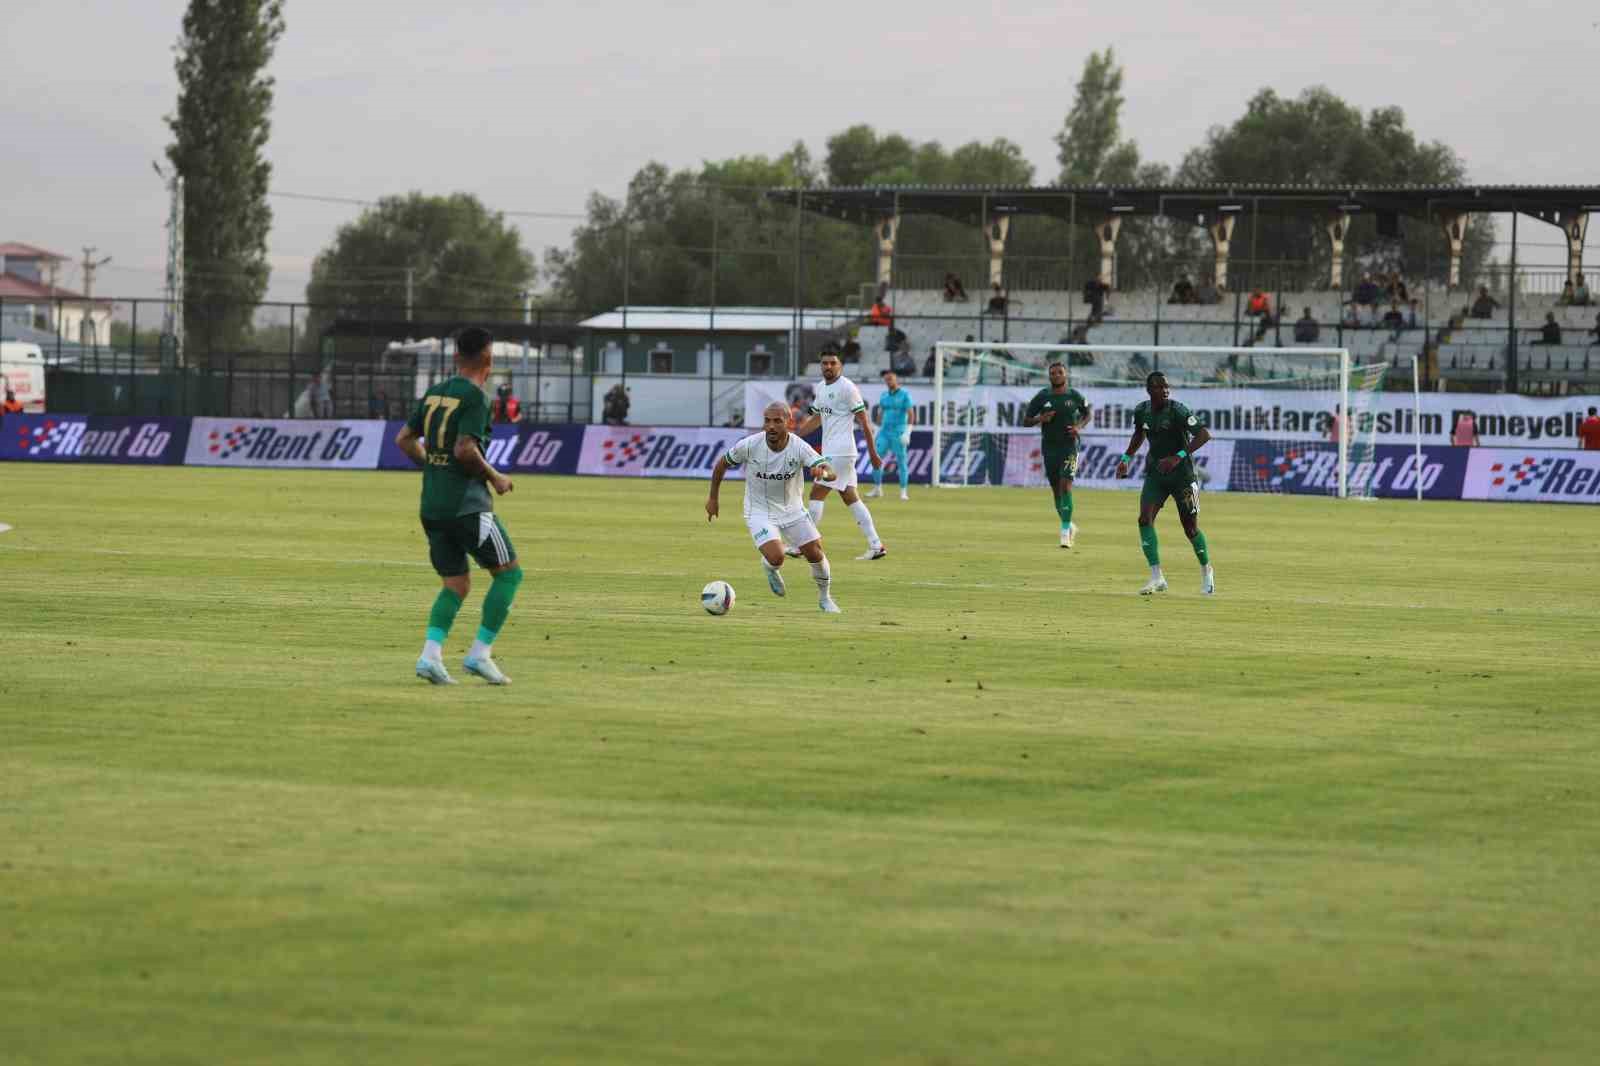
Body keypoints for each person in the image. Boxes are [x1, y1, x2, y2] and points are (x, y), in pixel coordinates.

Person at [392, 327, 522, 686]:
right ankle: (480, 654)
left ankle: (430, 657)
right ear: (488, 358)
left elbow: (403, 439)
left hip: (432, 504)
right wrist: (495, 476)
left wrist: (434, 466)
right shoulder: (477, 397)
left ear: (455, 357)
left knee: (456, 583)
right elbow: (465, 449)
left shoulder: (434, 393)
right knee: (509, 573)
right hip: (467, 505)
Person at [706, 401, 841, 613]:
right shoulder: (750, 445)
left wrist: (821, 472)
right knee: (777, 557)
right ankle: (770, 567)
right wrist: (713, 498)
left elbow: (831, 471)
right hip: (759, 511)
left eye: (777, 421)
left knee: (815, 554)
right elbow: (721, 464)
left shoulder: (799, 447)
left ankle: (825, 598)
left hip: (792, 509)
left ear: (789, 422)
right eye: (767, 421)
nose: (770, 426)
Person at [1115, 372, 1215, 596]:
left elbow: (1204, 435)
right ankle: (1156, 576)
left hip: (1184, 476)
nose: (1166, 390)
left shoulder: (1178, 410)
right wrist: (1126, 458)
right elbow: (1139, 434)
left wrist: (1178, 456)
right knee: (1144, 519)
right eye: (1160, 387)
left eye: (1167, 386)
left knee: (1190, 528)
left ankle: (1206, 569)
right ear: (1149, 390)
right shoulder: (1142, 411)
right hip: (1156, 473)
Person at [790, 348, 887, 560]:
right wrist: (795, 436)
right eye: (825, 363)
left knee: (816, 494)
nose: (828, 367)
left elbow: (863, 421)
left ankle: (802, 545)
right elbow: (816, 419)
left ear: (840, 365)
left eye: (832, 363)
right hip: (835, 452)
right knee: (850, 497)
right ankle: (876, 544)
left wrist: (873, 452)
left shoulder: (847, 388)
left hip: (840, 452)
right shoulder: (821, 388)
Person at [1023, 361, 1090, 548]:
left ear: (1066, 374)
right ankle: (1070, 526)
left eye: (1060, 372)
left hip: (1070, 447)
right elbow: (1026, 420)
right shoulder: (1042, 396)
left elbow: (1087, 414)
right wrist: (1040, 419)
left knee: (1066, 485)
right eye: (1053, 373)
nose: (1056, 375)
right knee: (1056, 491)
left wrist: (1078, 427)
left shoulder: (1074, 395)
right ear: (1049, 376)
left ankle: (1064, 534)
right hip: (1049, 448)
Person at [867, 370, 915, 501]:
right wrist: (876, 430)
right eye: (886, 379)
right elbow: (881, 413)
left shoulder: (905, 394)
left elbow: (911, 413)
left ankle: (903, 492)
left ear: (896, 379)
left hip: (899, 431)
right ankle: (877, 489)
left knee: (901, 461)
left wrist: (907, 432)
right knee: (876, 459)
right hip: (884, 432)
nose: (889, 382)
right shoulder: (884, 395)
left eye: (891, 379)